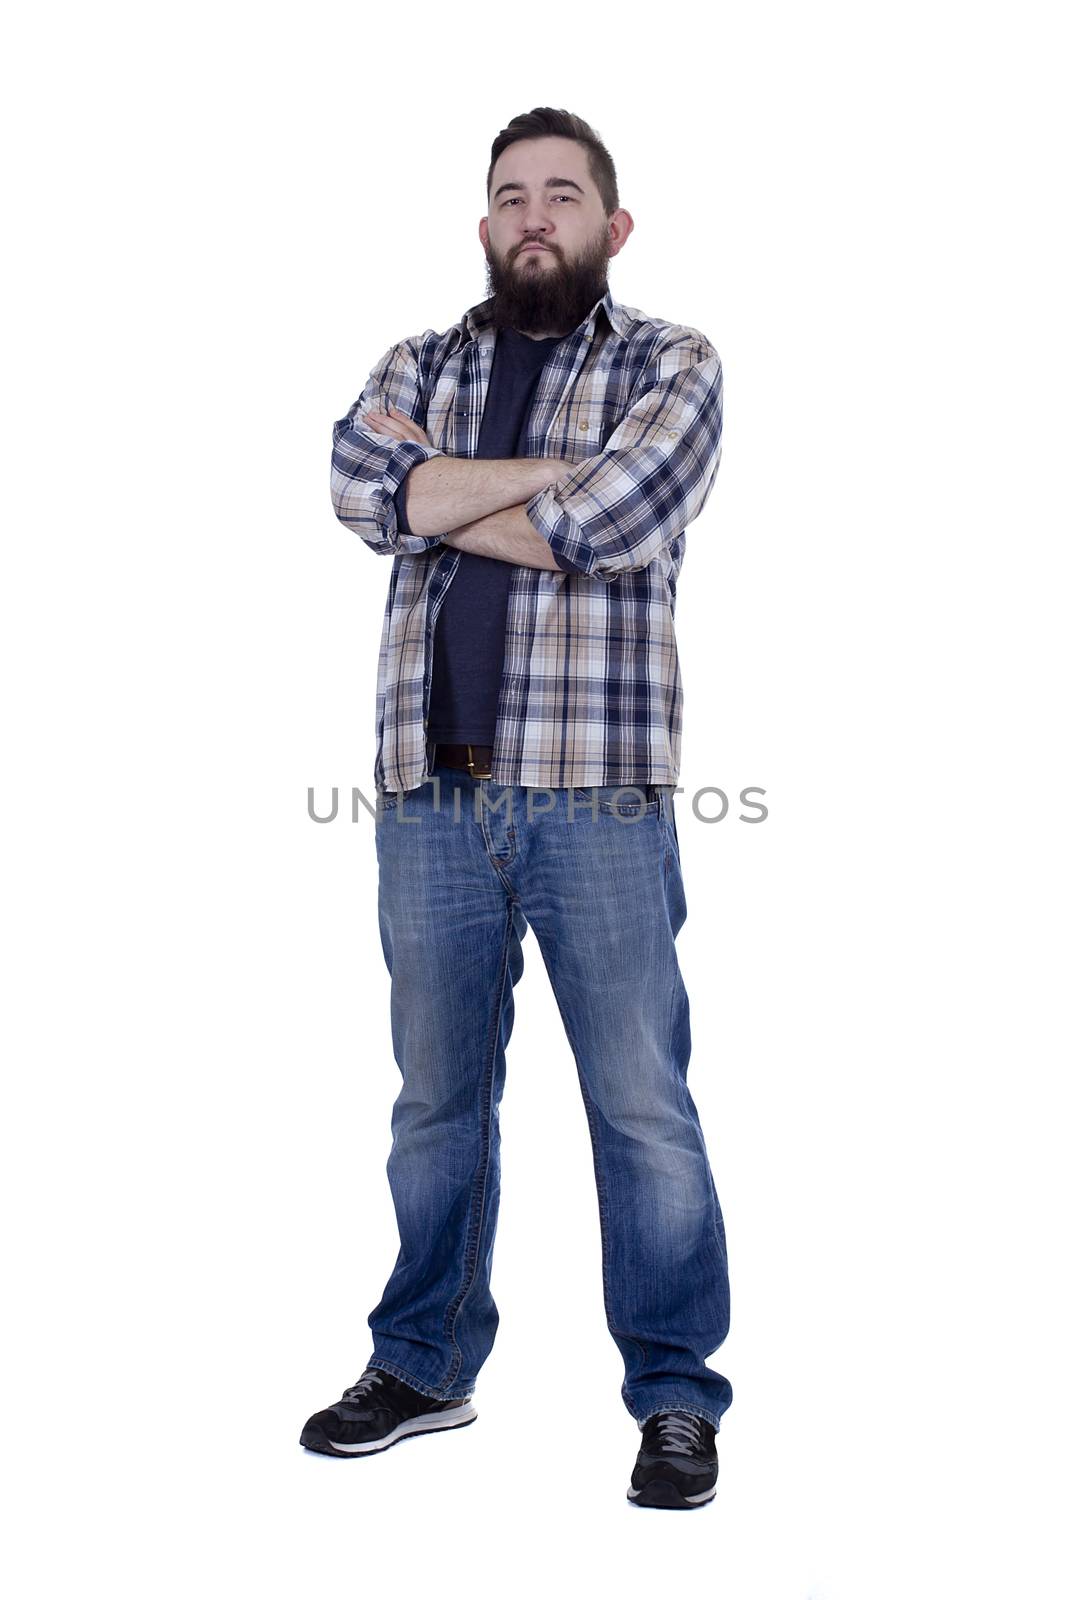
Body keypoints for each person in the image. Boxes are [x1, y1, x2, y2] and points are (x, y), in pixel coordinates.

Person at [300, 107, 731, 1510]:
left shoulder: (672, 361)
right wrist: (544, 484)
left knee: (641, 1106)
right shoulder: (418, 362)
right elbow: (357, 485)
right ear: (484, 228)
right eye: (509, 195)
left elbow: (622, 520)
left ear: (614, 226)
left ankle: (675, 1398)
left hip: (596, 799)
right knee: (435, 1102)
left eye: (563, 193)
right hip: (432, 794)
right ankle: (423, 1362)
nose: (532, 213)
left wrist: (442, 498)